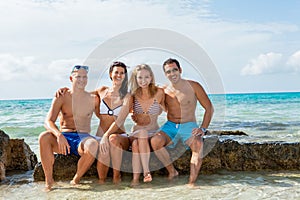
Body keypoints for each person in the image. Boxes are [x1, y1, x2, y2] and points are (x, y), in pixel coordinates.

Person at [56, 61, 130, 184]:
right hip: (100, 135)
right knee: (102, 146)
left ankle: (117, 177)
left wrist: (106, 136)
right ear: (111, 74)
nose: (119, 75)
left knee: (112, 140)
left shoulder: (127, 96)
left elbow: (120, 120)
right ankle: (102, 182)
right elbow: (80, 94)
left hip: (119, 136)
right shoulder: (101, 91)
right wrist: (66, 90)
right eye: (116, 72)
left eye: (122, 73)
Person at [150, 58, 214, 187]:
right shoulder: (163, 90)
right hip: (170, 126)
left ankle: (191, 183)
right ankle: (172, 172)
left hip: (189, 126)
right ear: (165, 74)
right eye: (168, 71)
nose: (172, 74)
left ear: (180, 70)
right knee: (155, 141)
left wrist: (203, 128)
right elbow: (152, 106)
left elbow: (209, 108)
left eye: (175, 70)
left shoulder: (193, 86)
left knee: (198, 145)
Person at [99, 64, 165, 186]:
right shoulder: (133, 95)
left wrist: (156, 113)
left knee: (135, 145)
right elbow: (122, 116)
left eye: (146, 77)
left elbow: (167, 109)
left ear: (151, 77)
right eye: (140, 78)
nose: (143, 81)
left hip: (153, 132)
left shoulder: (160, 92)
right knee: (142, 133)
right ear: (135, 79)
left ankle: (135, 180)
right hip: (137, 132)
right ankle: (146, 172)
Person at [38, 65, 100, 191]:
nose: (82, 80)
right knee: (43, 137)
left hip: (83, 138)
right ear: (71, 78)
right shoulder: (62, 96)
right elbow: (48, 121)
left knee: (93, 145)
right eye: (78, 77)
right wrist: (58, 135)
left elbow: (105, 117)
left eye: (84, 77)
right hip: (64, 136)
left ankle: (76, 179)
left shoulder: (93, 98)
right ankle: (49, 181)